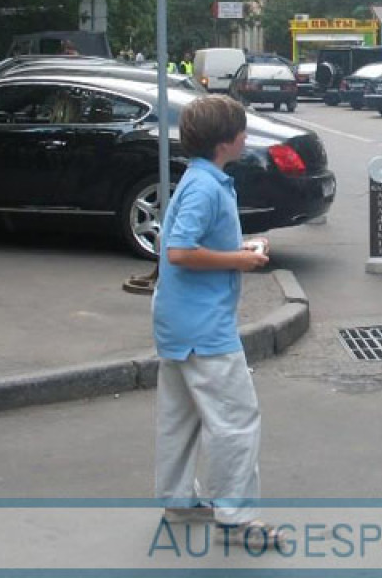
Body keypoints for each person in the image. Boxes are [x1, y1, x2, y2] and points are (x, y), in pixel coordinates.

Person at [153, 95, 289, 550]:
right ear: (226, 141)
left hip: (178, 321)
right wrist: (240, 261)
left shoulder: (200, 179)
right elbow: (179, 251)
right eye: (243, 131)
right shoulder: (206, 187)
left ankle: (177, 499)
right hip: (204, 328)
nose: (246, 137)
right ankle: (236, 519)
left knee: (181, 415)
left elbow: (188, 243)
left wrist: (243, 247)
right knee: (236, 420)